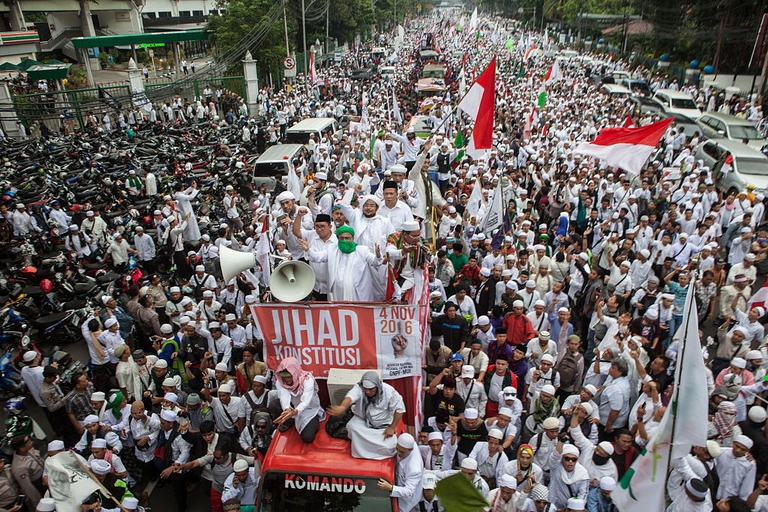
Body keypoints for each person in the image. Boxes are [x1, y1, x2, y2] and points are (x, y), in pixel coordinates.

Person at [327, 371, 406, 460]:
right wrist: (342, 407)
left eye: (371, 389)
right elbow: (350, 397)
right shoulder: (359, 388)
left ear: (377, 386)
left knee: (389, 447)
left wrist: (392, 428)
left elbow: (399, 409)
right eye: (365, 389)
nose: (367, 392)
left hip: (383, 426)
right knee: (352, 427)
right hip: (363, 421)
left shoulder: (389, 392)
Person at [270, 357, 324, 443]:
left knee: (307, 437)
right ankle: (289, 420)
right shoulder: (280, 382)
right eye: (284, 377)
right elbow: (284, 396)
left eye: (288, 377)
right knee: (273, 405)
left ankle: (312, 419)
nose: (286, 380)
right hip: (292, 406)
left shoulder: (307, 380)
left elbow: (306, 401)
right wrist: (287, 410)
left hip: (308, 409)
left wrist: (296, 411)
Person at [377, 433, 424, 512]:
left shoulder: (414, 469)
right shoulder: (409, 442)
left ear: (411, 449)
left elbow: (408, 491)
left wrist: (390, 488)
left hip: (406, 501)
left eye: (402, 452)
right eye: (397, 449)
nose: (398, 453)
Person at [10, 435, 44, 508]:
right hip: (39, 485)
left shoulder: (27, 451)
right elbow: (28, 488)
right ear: (22, 449)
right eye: (28, 443)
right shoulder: (19, 467)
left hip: (44, 476)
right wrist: (40, 504)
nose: (31, 443)